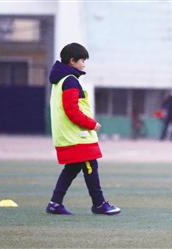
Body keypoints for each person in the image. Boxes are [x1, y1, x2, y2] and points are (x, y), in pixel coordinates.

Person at [46, 43, 121, 215]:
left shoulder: (61, 80)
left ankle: (55, 203)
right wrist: (91, 124)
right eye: (82, 60)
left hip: (68, 134)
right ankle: (99, 203)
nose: (84, 64)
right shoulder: (70, 80)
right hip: (77, 135)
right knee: (90, 167)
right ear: (72, 61)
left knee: (72, 168)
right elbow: (72, 110)